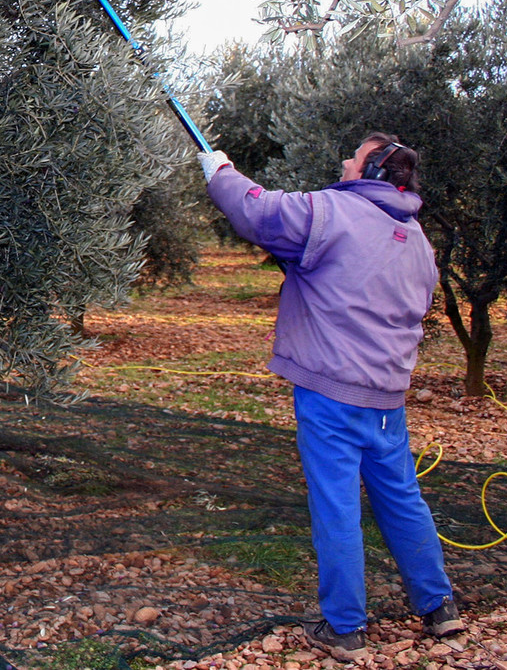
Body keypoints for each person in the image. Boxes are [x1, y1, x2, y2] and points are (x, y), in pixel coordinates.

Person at [197, 134, 463, 663]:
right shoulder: (418, 240)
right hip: (387, 399)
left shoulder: (332, 210)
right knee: (402, 498)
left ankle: (344, 628)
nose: (344, 160)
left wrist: (220, 172)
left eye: (356, 156)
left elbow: (259, 213)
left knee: (336, 506)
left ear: (374, 171)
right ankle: (439, 608)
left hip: (330, 397)